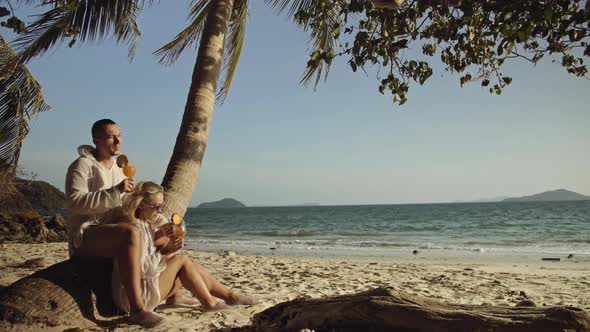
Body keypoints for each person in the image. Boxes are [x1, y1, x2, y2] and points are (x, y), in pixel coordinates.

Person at [65, 119, 166, 327]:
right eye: (112, 136)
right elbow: (74, 203)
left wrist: (164, 223)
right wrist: (115, 191)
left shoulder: (121, 170)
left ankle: (169, 294)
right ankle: (137, 310)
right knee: (130, 233)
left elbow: (133, 205)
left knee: (151, 235)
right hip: (86, 234)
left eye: (119, 135)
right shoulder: (81, 165)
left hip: (112, 232)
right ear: (97, 140)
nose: (118, 140)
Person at [104, 181, 256, 313]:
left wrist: (169, 227)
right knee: (182, 260)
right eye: (156, 207)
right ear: (142, 206)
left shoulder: (146, 220)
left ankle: (230, 296)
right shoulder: (134, 230)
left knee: (191, 265)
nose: (159, 211)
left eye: (161, 206)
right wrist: (165, 252)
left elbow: (169, 223)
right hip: (134, 297)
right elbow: (143, 270)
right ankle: (210, 303)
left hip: (145, 285)